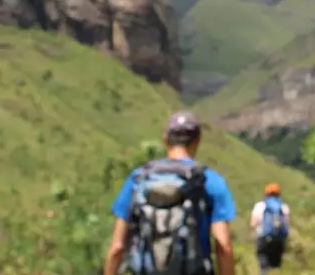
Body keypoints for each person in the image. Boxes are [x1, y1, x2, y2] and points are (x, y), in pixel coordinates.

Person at [103, 111, 237, 275]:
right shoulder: (210, 181)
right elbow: (223, 246)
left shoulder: (139, 179)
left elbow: (117, 247)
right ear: (197, 140)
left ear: (165, 139)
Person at [250, 184, 290, 274]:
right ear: (278, 194)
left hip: (263, 238)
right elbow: (287, 225)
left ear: (266, 194)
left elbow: (253, 224)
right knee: (276, 268)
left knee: (264, 267)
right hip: (279, 239)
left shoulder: (259, 206)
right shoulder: (284, 207)